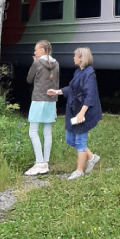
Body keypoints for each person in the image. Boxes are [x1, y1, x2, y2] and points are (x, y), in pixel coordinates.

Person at [48, 46, 102, 180]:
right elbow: (72, 89)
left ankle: (79, 171)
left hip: (84, 112)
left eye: (75, 56)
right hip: (74, 110)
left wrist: (82, 113)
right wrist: (57, 92)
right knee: (70, 139)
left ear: (81, 58)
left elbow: (90, 96)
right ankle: (92, 157)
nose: (73, 58)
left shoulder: (89, 74)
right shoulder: (78, 72)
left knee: (80, 141)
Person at [25, 40, 60, 176]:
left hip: (38, 99)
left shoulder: (37, 63)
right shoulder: (56, 63)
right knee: (47, 132)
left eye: (36, 49)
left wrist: (34, 63)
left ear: (43, 50)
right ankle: (45, 162)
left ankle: (39, 163)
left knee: (33, 131)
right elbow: (56, 83)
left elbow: (29, 79)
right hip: (51, 100)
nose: (34, 52)